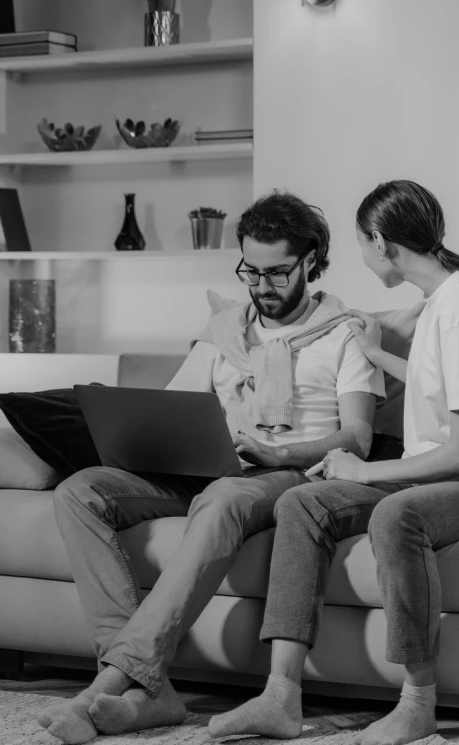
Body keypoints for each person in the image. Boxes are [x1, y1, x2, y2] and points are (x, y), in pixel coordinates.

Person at [37, 190, 387, 744]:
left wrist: (280, 453)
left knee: (222, 498)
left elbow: (358, 438)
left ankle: (110, 682)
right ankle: (151, 692)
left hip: (286, 471)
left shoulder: (345, 332)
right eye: (251, 270)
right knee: (80, 492)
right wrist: (145, 440)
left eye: (277, 273)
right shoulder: (224, 330)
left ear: (312, 261)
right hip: (209, 464)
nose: (262, 286)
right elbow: (174, 406)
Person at [208, 179, 459, 745]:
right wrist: (378, 354)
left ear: (380, 241)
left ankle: (416, 705)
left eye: (360, 244)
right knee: (303, 502)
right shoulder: (442, 300)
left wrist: (366, 471)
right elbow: (446, 392)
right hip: (452, 469)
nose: (361, 256)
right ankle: (280, 696)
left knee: (397, 516)